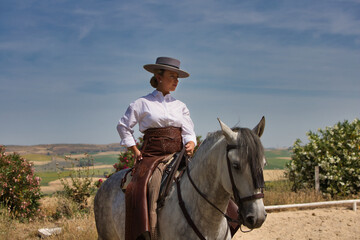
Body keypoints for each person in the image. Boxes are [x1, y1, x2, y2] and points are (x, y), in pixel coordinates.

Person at [117, 57, 196, 240]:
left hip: (178, 155)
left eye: (178, 77)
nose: (176, 81)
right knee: (148, 187)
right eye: (172, 76)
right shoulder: (141, 103)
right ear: (158, 77)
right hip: (152, 155)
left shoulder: (180, 106)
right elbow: (123, 127)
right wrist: (135, 150)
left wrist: (191, 143)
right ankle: (147, 233)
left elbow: (188, 132)